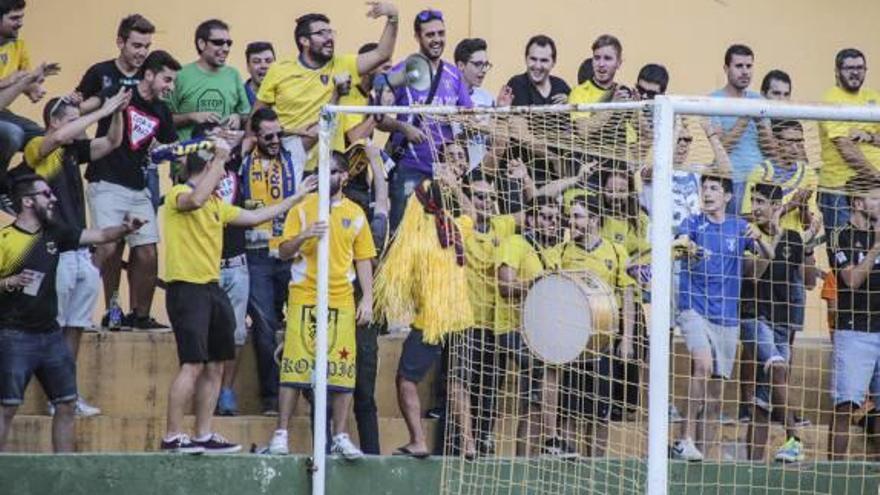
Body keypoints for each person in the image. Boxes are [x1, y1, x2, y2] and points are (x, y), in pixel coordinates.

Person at [160, 137, 312, 453]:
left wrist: (297, 196)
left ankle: (203, 434)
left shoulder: (217, 204)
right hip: (186, 288)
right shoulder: (179, 194)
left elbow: (256, 217)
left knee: (216, 364)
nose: (226, 178)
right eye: (220, 172)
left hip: (212, 288)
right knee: (192, 364)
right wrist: (220, 158)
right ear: (207, 170)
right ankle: (172, 436)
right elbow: (195, 200)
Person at [0, 173, 146, 452]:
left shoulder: (55, 232)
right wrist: (9, 282)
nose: (53, 198)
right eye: (46, 194)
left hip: (51, 336)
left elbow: (101, 235)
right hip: (14, 335)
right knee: (7, 407)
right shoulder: (5, 240)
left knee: (66, 404)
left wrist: (126, 229)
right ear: (28, 201)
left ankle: (63, 470)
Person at [23, 89, 131, 417]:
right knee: (51, 327)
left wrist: (116, 112)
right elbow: (58, 138)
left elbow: (111, 142)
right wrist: (99, 111)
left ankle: (65, 395)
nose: (79, 127)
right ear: (53, 122)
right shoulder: (37, 149)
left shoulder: (73, 152)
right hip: (53, 252)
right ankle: (46, 397)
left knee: (75, 326)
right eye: (72, 120)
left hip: (81, 252)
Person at [266, 151, 375, 458]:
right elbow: (284, 252)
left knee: (342, 371)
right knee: (294, 368)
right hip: (305, 296)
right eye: (323, 170)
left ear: (344, 176)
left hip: (341, 299)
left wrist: (367, 297)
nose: (328, 176)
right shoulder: (303, 209)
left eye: (334, 171)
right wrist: (305, 235)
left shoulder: (355, 213)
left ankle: (340, 435)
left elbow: (364, 258)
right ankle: (281, 434)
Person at [671, 175, 769, 461]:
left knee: (715, 392)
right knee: (702, 365)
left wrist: (761, 241)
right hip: (694, 308)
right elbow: (678, 246)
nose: (707, 192)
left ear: (727, 197)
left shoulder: (739, 228)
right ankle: (684, 438)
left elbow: (759, 271)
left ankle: (704, 450)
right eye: (705, 188)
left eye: (714, 188)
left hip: (727, 317)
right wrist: (684, 247)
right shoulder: (693, 223)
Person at [85, 50, 180, 330]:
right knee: (110, 248)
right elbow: (89, 108)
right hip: (105, 183)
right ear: (148, 75)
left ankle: (140, 315)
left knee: (148, 251)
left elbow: (171, 150)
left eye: (173, 82)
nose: (170, 87)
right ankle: (111, 311)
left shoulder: (162, 110)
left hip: (138, 189)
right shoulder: (119, 92)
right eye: (167, 79)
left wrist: (206, 143)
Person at [254, 3, 398, 174]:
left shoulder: (342, 64)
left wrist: (393, 18)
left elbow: (382, 54)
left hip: (328, 168)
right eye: (321, 33)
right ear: (304, 40)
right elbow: (257, 117)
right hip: (287, 165)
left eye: (330, 32)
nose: (329, 37)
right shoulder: (279, 70)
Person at [553, 193, 637, 457]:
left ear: (594, 219)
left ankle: (596, 466)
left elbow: (627, 297)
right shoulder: (562, 251)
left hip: (603, 341)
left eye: (578, 216)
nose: (572, 221)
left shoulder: (615, 251)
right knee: (569, 409)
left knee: (601, 412)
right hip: (571, 342)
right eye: (571, 216)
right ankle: (565, 461)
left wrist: (627, 340)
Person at [740, 183, 816, 462]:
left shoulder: (794, 238)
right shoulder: (747, 234)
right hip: (754, 317)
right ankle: (795, 438)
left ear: (776, 206)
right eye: (753, 200)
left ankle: (752, 466)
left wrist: (807, 248)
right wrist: (764, 244)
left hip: (783, 323)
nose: (755, 207)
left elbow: (808, 282)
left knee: (762, 401)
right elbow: (752, 276)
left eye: (761, 201)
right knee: (778, 368)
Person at [494, 197, 570, 456]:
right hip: (511, 329)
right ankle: (551, 438)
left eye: (555, 218)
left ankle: (530, 459)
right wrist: (537, 282)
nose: (551, 223)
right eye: (545, 217)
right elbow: (505, 287)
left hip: (539, 333)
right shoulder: (515, 244)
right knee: (549, 366)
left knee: (533, 403)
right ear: (530, 220)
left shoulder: (553, 251)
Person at [386, 8, 473, 231]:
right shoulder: (403, 70)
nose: (437, 40)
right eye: (430, 34)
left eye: (441, 34)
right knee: (402, 241)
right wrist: (402, 127)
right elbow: (377, 117)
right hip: (409, 170)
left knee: (443, 242)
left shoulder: (454, 75)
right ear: (417, 37)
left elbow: (468, 119)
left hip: (444, 173)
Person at [239, 107, 302, 415]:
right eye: (268, 136)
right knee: (265, 327)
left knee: (298, 325)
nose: (276, 140)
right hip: (256, 257)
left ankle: (302, 394)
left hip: (290, 254)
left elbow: (318, 131)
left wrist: (292, 132)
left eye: (279, 133)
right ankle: (271, 398)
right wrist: (244, 141)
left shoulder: (295, 155)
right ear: (255, 136)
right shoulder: (242, 160)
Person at [75, 14, 157, 207]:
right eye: (137, 46)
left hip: (143, 170)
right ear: (120, 42)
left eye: (147, 47)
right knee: (109, 236)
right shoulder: (99, 72)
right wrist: (86, 147)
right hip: (105, 171)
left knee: (146, 236)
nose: (143, 53)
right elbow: (74, 112)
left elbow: (161, 116)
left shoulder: (151, 75)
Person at [827, 188, 880, 461]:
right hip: (854, 332)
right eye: (876, 198)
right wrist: (877, 247)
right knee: (845, 406)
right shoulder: (840, 235)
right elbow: (851, 280)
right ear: (858, 203)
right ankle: (834, 476)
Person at [818, 48, 880, 236]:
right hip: (840, 189)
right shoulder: (831, 99)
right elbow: (845, 147)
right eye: (849, 68)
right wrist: (876, 177)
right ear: (837, 71)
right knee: (845, 250)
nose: (855, 72)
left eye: (860, 67)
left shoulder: (874, 98)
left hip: (873, 192)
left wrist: (868, 136)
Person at [708, 44, 769, 213]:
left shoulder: (759, 99)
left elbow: (769, 147)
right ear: (726, 68)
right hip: (730, 181)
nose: (745, 71)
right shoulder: (713, 100)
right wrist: (746, 115)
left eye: (749, 66)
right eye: (739, 66)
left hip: (760, 181)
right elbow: (722, 147)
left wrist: (760, 123)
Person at [170, 19, 251, 142]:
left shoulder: (233, 74)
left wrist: (238, 117)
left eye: (229, 43)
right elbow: (163, 120)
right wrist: (191, 117)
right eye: (218, 42)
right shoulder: (180, 75)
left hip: (224, 156)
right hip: (186, 157)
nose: (225, 48)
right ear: (201, 44)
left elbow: (246, 115)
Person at [0, 0, 50, 177]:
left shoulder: (18, 45)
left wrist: (34, 87)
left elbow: (25, 80)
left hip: (3, 113)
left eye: (21, 17)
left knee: (46, 139)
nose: (20, 23)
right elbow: (18, 79)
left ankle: (14, 182)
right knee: (12, 134)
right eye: (14, 18)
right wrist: (13, 79)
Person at [505, 35, 569, 106]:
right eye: (533, 59)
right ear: (526, 59)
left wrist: (570, 103)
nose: (538, 66)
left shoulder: (560, 86)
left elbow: (576, 114)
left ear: (553, 63)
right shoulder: (516, 84)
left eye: (544, 60)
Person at [243, 42, 275, 106]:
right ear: (248, 66)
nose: (263, 66)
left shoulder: (284, 95)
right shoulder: (237, 96)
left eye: (268, 61)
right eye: (256, 61)